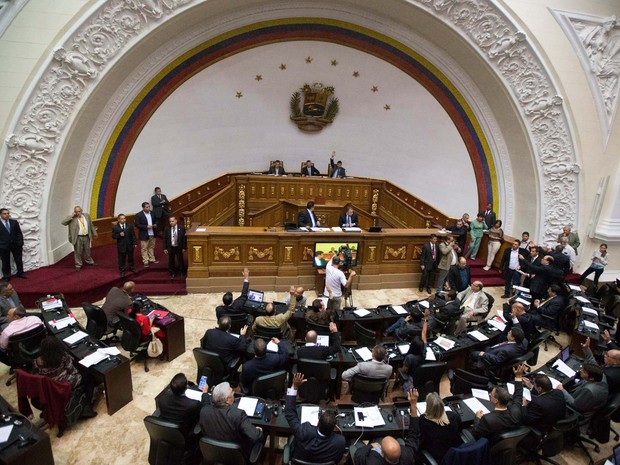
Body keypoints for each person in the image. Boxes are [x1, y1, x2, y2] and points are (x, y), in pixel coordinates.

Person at [285, 373, 346, 463]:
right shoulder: (340, 442)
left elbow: (290, 413)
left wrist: (294, 386)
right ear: (333, 429)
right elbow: (337, 460)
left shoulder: (304, 432)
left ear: (317, 423)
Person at [34, 336, 97, 418]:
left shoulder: (37, 361)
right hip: (63, 385)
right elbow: (73, 371)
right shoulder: (62, 356)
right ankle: (87, 406)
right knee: (89, 376)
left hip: (48, 389)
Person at [199, 382, 263, 460]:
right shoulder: (238, 414)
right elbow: (255, 436)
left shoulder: (204, 411)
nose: (233, 392)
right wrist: (259, 431)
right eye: (231, 392)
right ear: (227, 400)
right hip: (237, 456)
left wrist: (205, 393)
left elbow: (205, 403)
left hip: (214, 454)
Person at [472, 364, 526, 443]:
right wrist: (518, 377)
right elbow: (518, 394)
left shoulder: (487, 419)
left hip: (491, 444)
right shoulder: (516, 410)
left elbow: (476, 434)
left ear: (496, 400)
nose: (490, 395)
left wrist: (477, 418)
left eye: (492, 395)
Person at [409, 389, 462, 464]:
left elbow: (414, 432)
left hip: (438, 458)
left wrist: (413, 404)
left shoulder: (424, 421)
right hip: (454, 456)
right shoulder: (453, 416)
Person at [557, 359, 607, 429]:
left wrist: (562, 390)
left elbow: (575, 405)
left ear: (591, 378)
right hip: (581, 398)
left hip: (577, 413)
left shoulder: (589, 391)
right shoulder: (601, 376)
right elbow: (593, 364)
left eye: (584, 372)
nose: (580, 370)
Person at [158, 373, 209, 438]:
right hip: (185, 433)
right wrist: (205, 393)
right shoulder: (192, 404)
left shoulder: (162, 399)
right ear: (186, 387)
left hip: (167, 431)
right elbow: (206, 409)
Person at [61, 206, 97, 272]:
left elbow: (91, 225)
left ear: (81, 211)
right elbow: (63, 223)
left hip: (86, 236)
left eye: (79, 211)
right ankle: (78, 265)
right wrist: (71, 216)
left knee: (87, 250)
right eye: (76, 212)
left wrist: (94, 233)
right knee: (78, 251)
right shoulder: (72, 218)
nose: (78, 213)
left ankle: (89, 261)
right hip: (78, 237)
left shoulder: (86, 216)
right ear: (74, 212)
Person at [0, 208, 25, 280]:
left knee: (18, 259)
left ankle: (20, 273)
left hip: (16, 245)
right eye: (4, 213)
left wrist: (20, 242)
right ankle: (7, 276)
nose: (7, 215)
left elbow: (19, 233)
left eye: (8, 213)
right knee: (5, 262)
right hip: (3, 246)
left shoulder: (14, 222)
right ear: (1, 214)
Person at [111, 213, 136, 278]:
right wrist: (119, 235)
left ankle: (131, 267)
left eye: (124, 218)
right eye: (122, 219)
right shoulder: (115, 227)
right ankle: (122, 270)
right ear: (118, 220)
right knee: (122, 259)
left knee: (130, 257)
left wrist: (134, 243)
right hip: (121, 246)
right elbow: (113, 236)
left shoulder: (129, 225)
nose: (124, 220)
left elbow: (133, 235)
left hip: (129, 245)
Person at [135, 202, 158, 268]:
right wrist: (146, 227)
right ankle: (146, 261)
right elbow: (137, 224)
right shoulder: (139, 215)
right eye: (147, 207)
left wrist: (155, 224)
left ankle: (152, 258)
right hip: (144, 234)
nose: (148, 208)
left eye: (149, 207)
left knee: (151, 247)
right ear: (143, 208)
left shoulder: (152, 213)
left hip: (152, 233)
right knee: (144, 248)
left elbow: (156, 220)